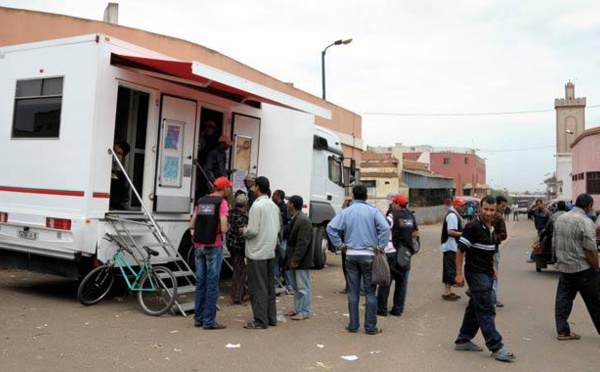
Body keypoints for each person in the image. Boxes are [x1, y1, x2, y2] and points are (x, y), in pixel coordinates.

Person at [454, 195, 515, 362]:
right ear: (480, 208)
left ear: (496, 211)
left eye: (492, 210)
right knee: (487, 308)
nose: (488, 213)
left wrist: (492, 270)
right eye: (486, 209)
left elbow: (488, 250)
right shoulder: (472, 226)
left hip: (486, 272)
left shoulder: (493, 226)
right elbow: (460, 251)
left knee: (475, 306)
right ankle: (496, 347)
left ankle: (463, 339)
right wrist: (459, 274)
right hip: (475, 273)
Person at [326, 185, 390, 335]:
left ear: (353, 196)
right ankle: (370, 327)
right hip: (369, 255)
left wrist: (339, 245)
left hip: (350, 255)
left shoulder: (346, 212)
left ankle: (353, 325)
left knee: (353, 292)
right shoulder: (373, 211)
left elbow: (330, 228)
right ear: (366, 196)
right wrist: (380, 246)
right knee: (369, 292)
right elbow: (385, 228)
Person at [553, 193, 600, 341]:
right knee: (595, 302)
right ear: (589, 206)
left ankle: (562, 331)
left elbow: (556, 242)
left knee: (563, 299)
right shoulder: (585, 222)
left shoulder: (560, 218)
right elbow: (591, 249)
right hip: (582, 268)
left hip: (565, 267)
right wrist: (596, 268)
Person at [189, 176, 232, 330]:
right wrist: (226, 226)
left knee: (200, 282)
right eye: (229, 187)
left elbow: (192, 223)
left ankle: (198, 318)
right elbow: (224, 227)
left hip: (198, 245)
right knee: (212, 283)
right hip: (213, 245)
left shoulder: (201, 201)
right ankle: (209, 321)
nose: (230, 190)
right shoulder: (222, 203)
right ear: (224, 188)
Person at [241, 176, 281, 329]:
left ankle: (260, 320)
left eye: (253, 186)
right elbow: (277, 229)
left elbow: (252, 231)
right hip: (269, 251)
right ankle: (271, 318)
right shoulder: (273, 206)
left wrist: (242, 230)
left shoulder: (256, 207)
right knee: (269, 287)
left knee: (257, 288)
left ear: (257, 187)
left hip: (256, 252)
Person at [377, 194, 418, 317]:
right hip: (405, 254)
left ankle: (382, 309)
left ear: (396, 204)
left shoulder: (391, 216)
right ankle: (397, 309)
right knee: (401, 283)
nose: (392, 205)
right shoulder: (410, 215)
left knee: (385, 282)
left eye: (393, 203)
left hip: (391, 252)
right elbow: (416, 233)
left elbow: (382, 230)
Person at [283, 195, 313, 320]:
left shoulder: (303, 220)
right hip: (294, 259)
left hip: (300, 260)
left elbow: (303, 243)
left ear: (293, 205)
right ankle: (297, 308)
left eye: (289, 202)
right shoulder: (296, 218)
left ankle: (304, 311)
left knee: (303, 287)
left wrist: (296, 259)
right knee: (296, 287)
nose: (287, 204)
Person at [440, 197, 466, 301]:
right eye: (461, 206)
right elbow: (450, 232)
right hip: (451, 246)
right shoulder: (452, 216)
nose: (463, 207)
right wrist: (464, 234)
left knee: (449, 269)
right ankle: (447, 292)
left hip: (451, 246)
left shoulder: (454, 215)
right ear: (455, 205)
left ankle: (448, 291)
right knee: (450, 270)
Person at [226, 193, 249, 305]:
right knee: (240, 272)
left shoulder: (230, 213)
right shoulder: (242, 217)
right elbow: (241, 233)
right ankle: (237, 297)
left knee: (237, 270)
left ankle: (243, 293)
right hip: (239, 247)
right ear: (245, 203)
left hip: (231, 245)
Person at [272, 189, 292, 294]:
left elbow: (286, 224)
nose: (272, 196)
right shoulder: (278, 207)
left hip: (282, 239)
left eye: (274, 194)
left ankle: (287, 285)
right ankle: (284, 284)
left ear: (278, 196)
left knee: (283, 262)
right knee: (280, 262)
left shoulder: (283, 208)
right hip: (280, 239)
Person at [492, 195, 508, 308]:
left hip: (491, 249)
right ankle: (492, 299)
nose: (503, 208)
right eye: (502, 206)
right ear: (496, 204)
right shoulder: (498, 217)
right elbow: (504, 235)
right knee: (493, 275)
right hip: (491, 251)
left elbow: (502, 235)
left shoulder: (498, 217)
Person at [110, 141, 131, 210]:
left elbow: (118, 169)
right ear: (117, 145)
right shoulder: (110, 148)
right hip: (106, 172)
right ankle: (117, 202)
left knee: (125, 178)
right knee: (117, 181)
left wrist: (117, 174)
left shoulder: (118, 155)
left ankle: (122, 200)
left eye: (120, 154)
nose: (118, 154)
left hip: (113, 173)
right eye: (119, 153)